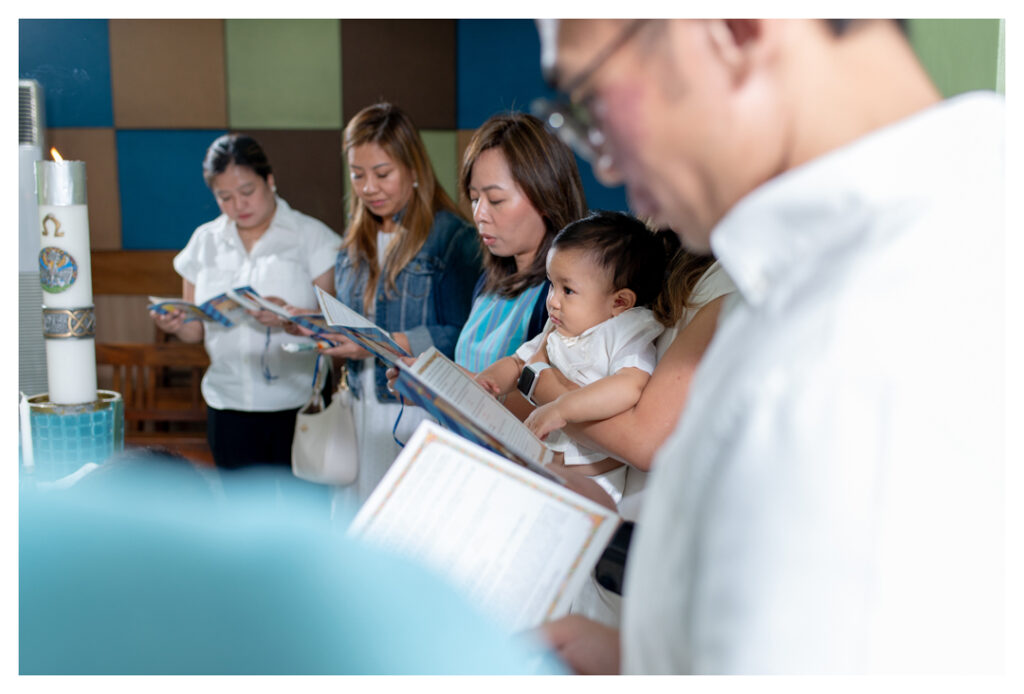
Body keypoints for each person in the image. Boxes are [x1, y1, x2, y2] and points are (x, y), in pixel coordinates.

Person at [535, 18, 1004, 674]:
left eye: (593, 100)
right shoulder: (843, 263)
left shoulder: (849, 359)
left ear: (731, 28)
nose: (604, 160)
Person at [318, 103, 481, 506]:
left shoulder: (451, 237)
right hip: (358, 409)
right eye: (357, 174)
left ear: (413, 169)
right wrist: (316, 328)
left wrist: (384, 343)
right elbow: (354, 320)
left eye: (382, 173)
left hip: (414, 411)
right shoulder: (354, 240)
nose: (368, 188)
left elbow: (463, 336)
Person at [151, 133, 339, 469]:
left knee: (301, 500)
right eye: (225, 197)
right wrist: (176, 324)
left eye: (247, 191)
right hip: (227, 403)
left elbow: (336, 326)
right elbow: (195, 332)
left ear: (270, 180)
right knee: (238, 501)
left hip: (297, 403)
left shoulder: (311, 237)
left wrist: (288, 316)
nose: (238, 205)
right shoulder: (205, 242)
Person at [475, 210, 671, 503]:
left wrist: (562, 408)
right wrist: (488, 380)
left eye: (567, 290)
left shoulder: (625, 331)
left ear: (619, 301)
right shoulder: (559, 330)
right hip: (543, 467)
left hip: (592, 486)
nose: (552, 301)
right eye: (552, 285)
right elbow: (518, 363)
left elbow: (630, 385)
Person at [454, 112, 588, 372]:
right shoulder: (488, 282)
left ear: (546, 197)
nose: (479, 215)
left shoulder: (561, 296)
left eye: (495, 200)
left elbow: (545, 390)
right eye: (474, 199)